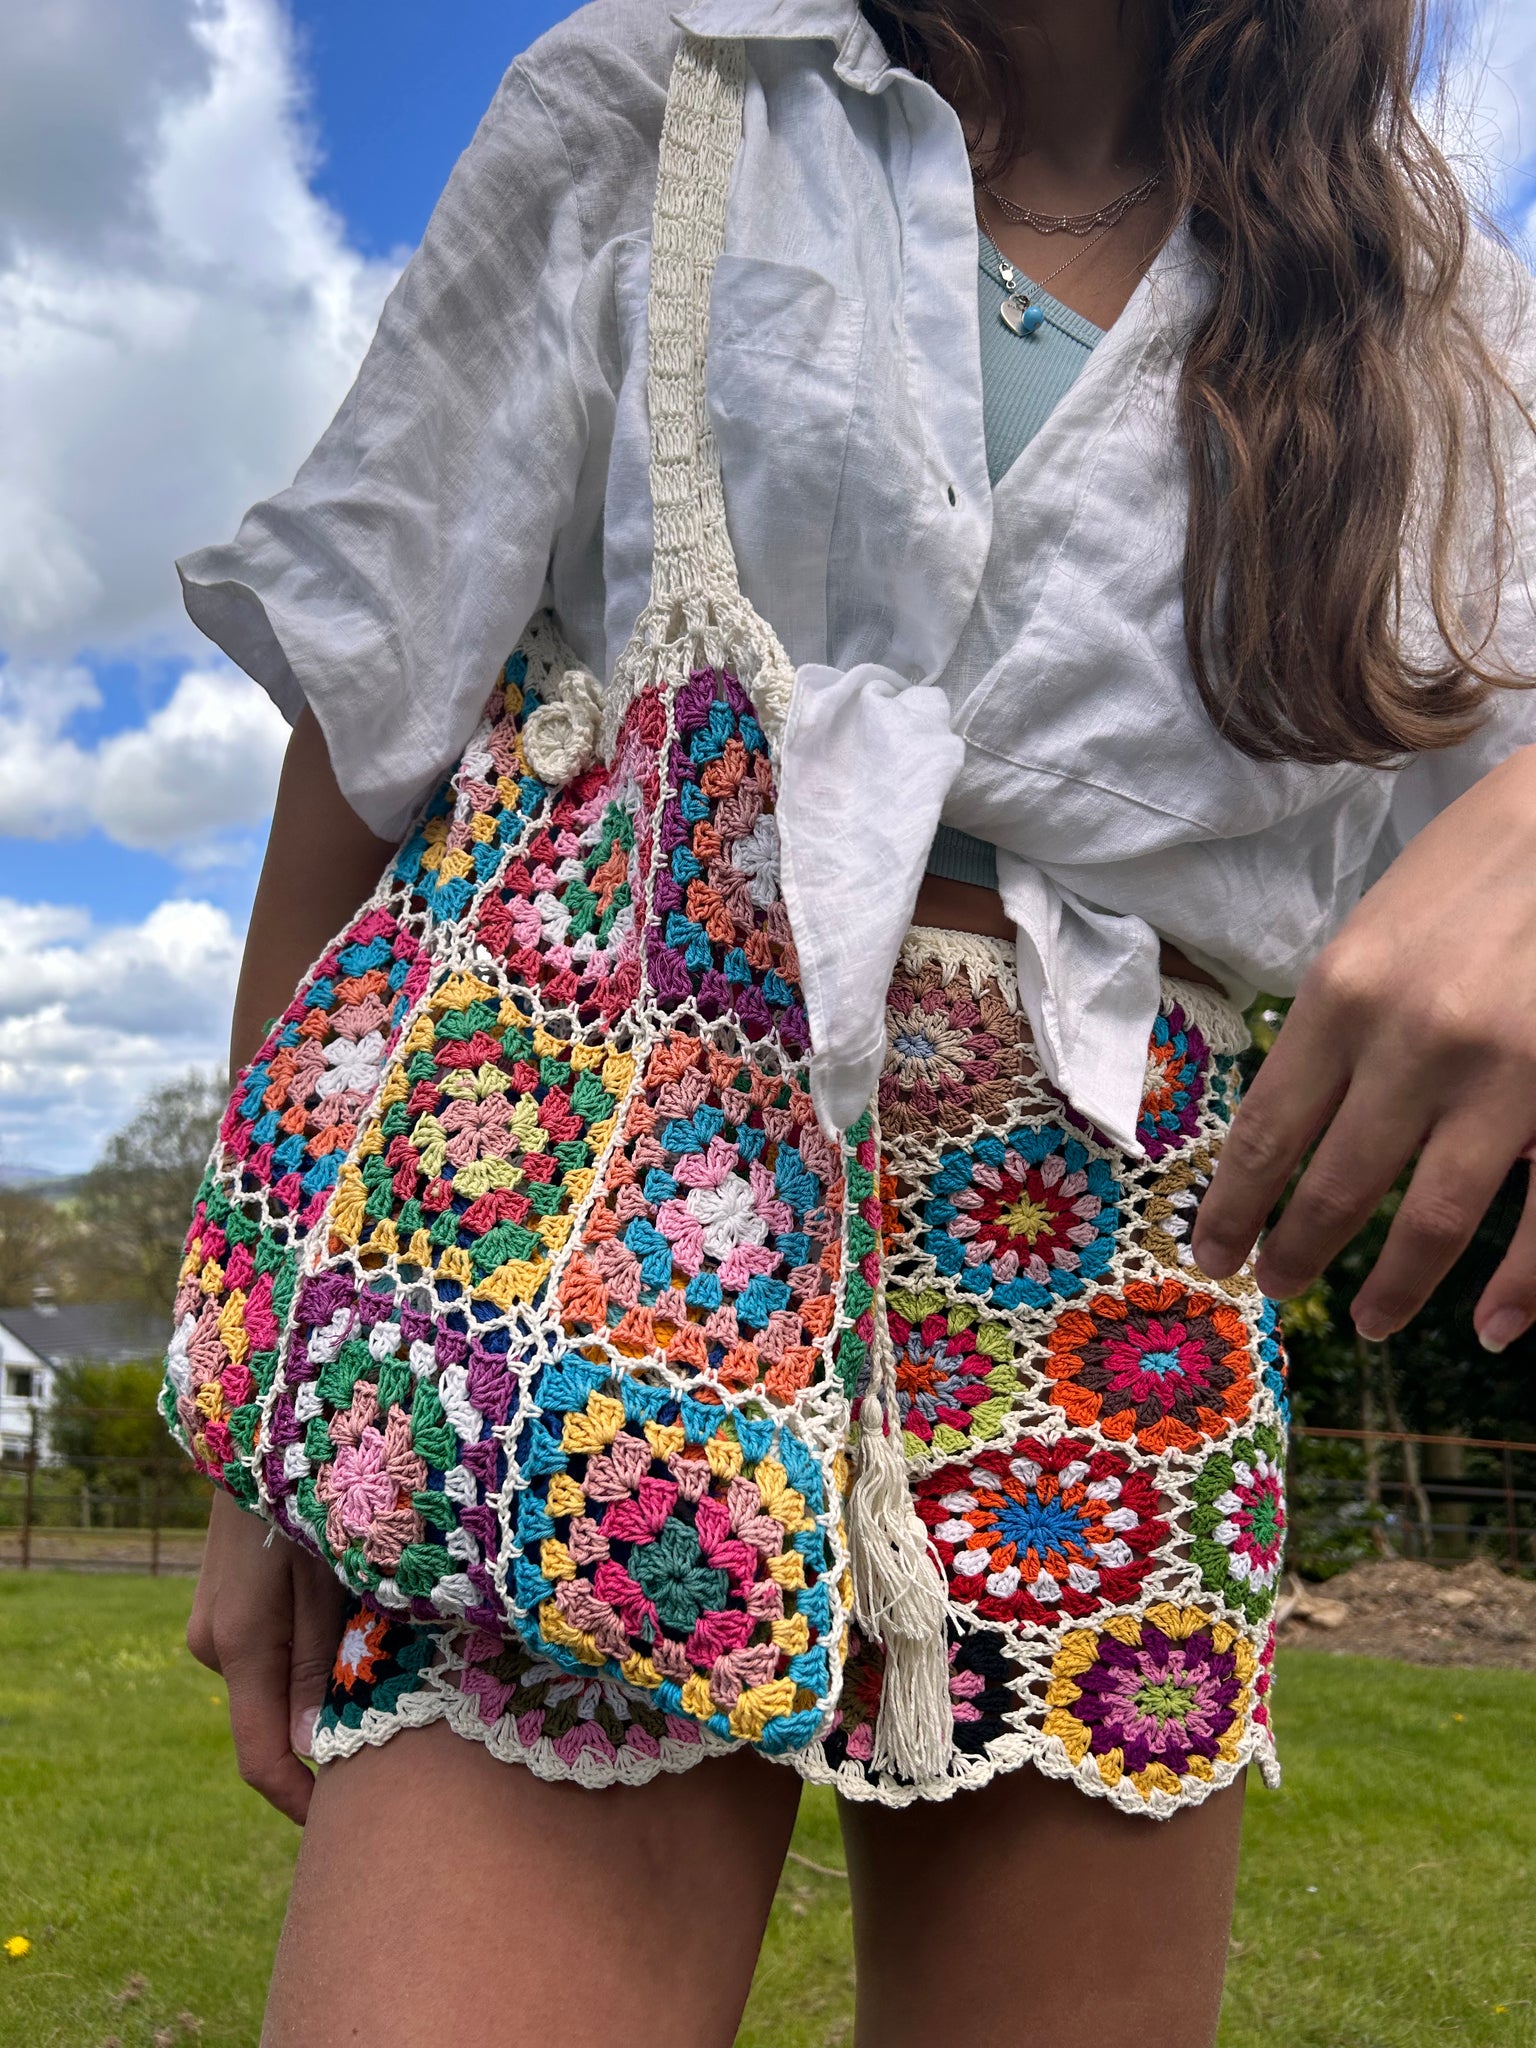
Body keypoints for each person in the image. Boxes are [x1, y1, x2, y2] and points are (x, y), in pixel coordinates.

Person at [173, 1, 1536, 2042]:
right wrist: (263, 1414)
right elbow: (367, 714)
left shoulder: (1435, 305)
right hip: (585, 1196)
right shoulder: (660, 94)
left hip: (1110, 1250)